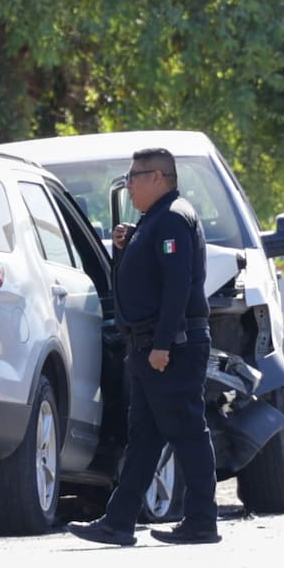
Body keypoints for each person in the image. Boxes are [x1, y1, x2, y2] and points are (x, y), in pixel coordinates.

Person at [67, 147, 220, 547]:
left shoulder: (172, 217)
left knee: (187, 431)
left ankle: (203, 520)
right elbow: (149, 275)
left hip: (169, 346)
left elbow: (177, 286)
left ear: (159, 178)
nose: (128, 184)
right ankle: (118, 521)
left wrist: (164, 344)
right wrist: (127, 245)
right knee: (146, 439)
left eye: (135, 176)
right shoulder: (155, 220)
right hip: (148, 345)